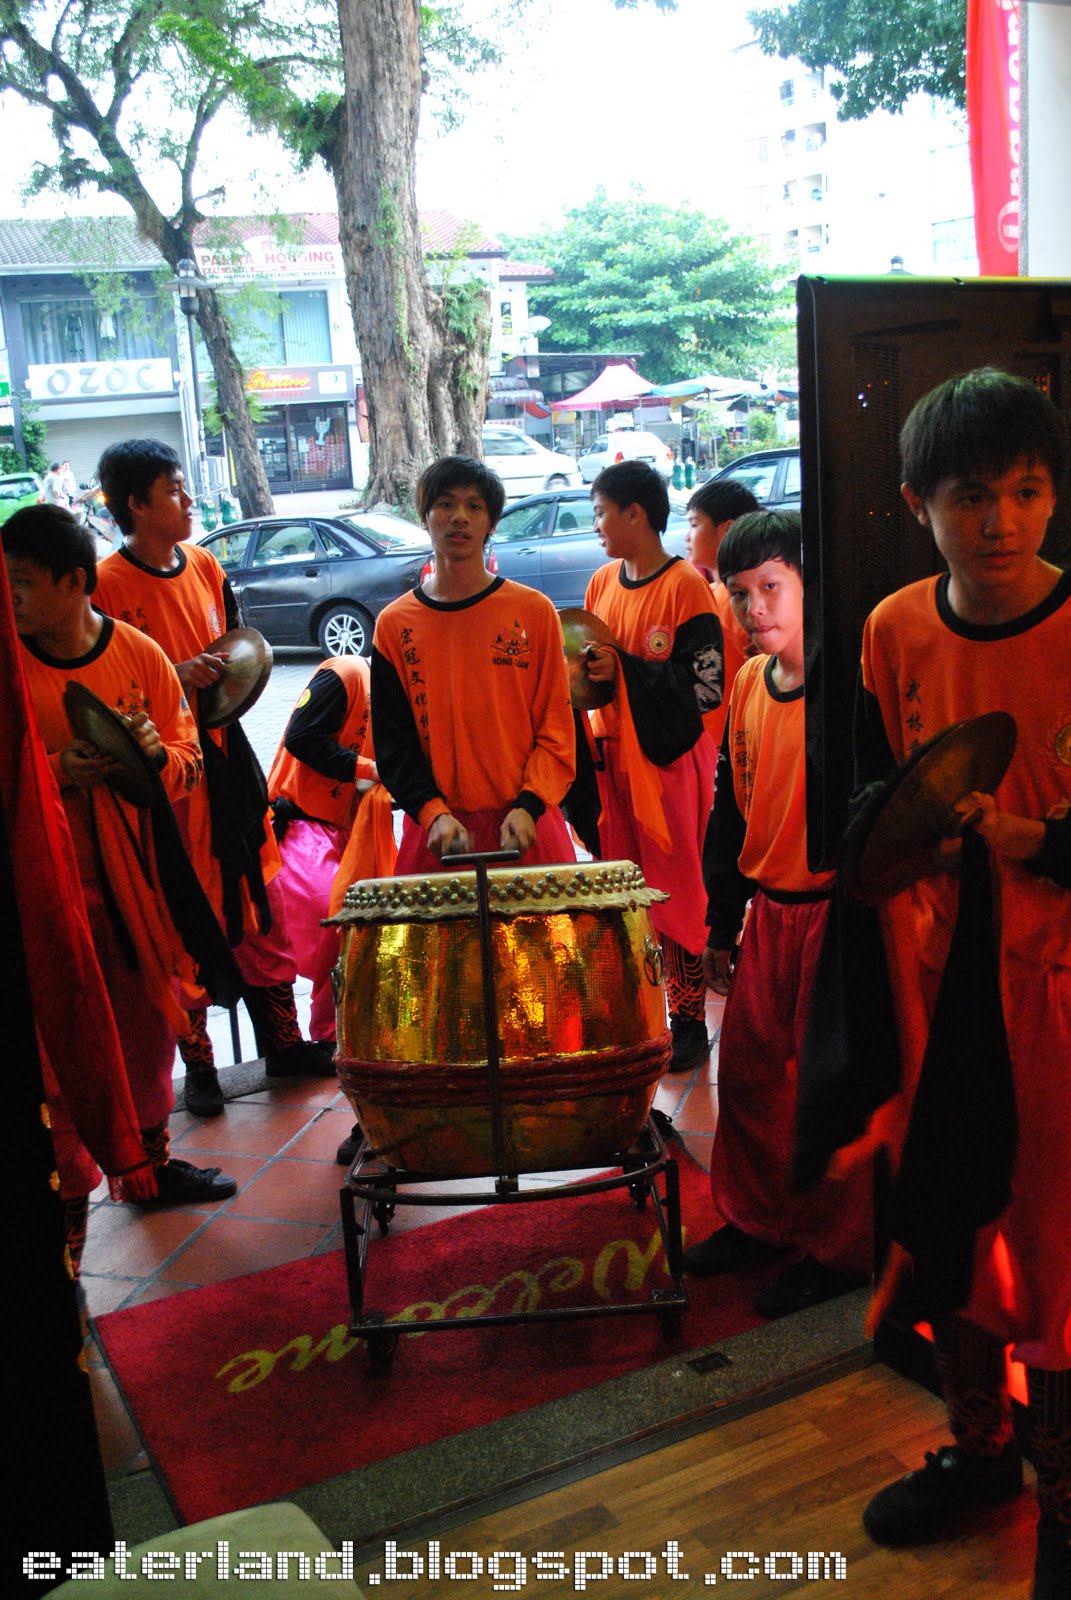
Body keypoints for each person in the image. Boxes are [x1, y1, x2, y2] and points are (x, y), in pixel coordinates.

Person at [848, 369, 1070, 1600]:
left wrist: (1038, 840)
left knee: (1060, 1247)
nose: (1002, 521)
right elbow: (870, 791)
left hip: (1060, 991)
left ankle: (1069, 1505)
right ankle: (983, 1452)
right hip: (941, 984)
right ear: (917, 504)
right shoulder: (894, 631)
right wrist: (905, 835)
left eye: (1028, 491)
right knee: (956, 1226)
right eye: (972, 495)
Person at [2, 504, 238, 1211]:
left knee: (143, 1035)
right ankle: (66, 1200)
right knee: (56, 1052)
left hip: (137, 887)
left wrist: (155, 757)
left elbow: (190, 762)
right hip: (47, 895)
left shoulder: (139, 655)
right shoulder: (8, 668)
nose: (10, 598)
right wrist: (57, 771)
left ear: (74, 582)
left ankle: (148, 1169)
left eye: (22, 582)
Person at [93, 439, 330, 1117]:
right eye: (173, 489)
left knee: (260, 901)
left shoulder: (203, 565)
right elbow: (105, 691)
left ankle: (283, 1045)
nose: (188, 500)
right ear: (136, 504)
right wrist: (175, 674)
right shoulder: (106, 586)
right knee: (182, 918)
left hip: (227, 764)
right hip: (168, 785)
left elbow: (236, 651)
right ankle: (199, 1068)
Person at [682, 510, 872, 1314]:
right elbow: (730, 809)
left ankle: (839, 1249)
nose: (753, 608)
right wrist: (719, 920)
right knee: (751, 1077)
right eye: (738, 593)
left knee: (832, 1090)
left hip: (834, 914)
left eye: (770, 586)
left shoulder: (849, 683)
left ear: (804, 583)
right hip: (768, 910)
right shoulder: (749, 684)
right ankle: (757, 1219)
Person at [582, 460, 723, 1074]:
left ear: (634, 514)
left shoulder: (685, 587)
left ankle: (689, 1020)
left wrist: (627, 671)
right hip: (613, 764)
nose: (597, 527)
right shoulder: (601, 584)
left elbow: (708, 689)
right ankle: (646, 1014)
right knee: (626, 889)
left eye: (601, 514)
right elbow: (590, 675)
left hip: (668, 762)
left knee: (677, 889)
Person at [370, 454, 576, 873]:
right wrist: (432, 812)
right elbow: (393, 744)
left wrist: (530, 804)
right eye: (445, 504)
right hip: (439, 834)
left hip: (525, 827)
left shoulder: (534, 612)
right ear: (424, 517)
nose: (459, 517)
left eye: (474, 506)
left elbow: (557, 727)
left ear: (492, 522)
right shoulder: (394, 624)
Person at [267, 654, 394, 1049]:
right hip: (300, 822)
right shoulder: (348, 673)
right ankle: (315, 1037)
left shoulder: (398, 698)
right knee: (334, 919)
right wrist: (367, 769)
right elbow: (302, 737)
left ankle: (335, 1034)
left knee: (360, 924)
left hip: (349, 830)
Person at [685, 477, 761, 749]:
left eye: (694, 524)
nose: (686, 536)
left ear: (727, 529)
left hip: (737, 739)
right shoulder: (711, 593)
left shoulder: (738, 601)